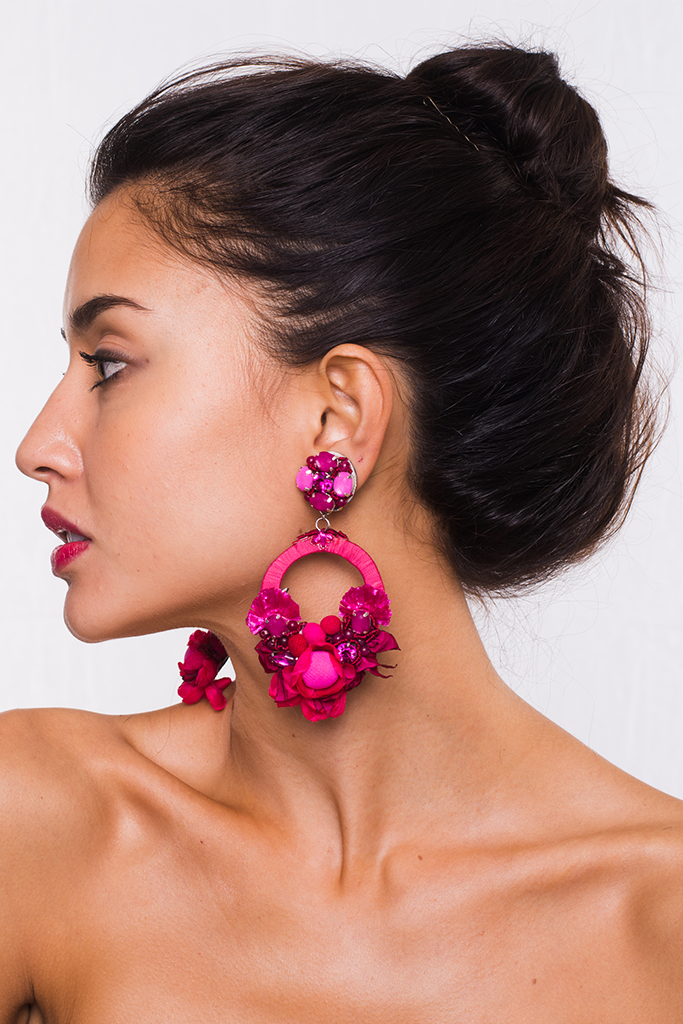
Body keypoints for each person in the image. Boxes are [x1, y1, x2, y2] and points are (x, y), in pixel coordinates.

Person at [3, 42, 682, 1023]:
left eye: (108, 364)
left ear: (336, 418)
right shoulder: (38, 825)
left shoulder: (658, 926)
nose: (37, 446)